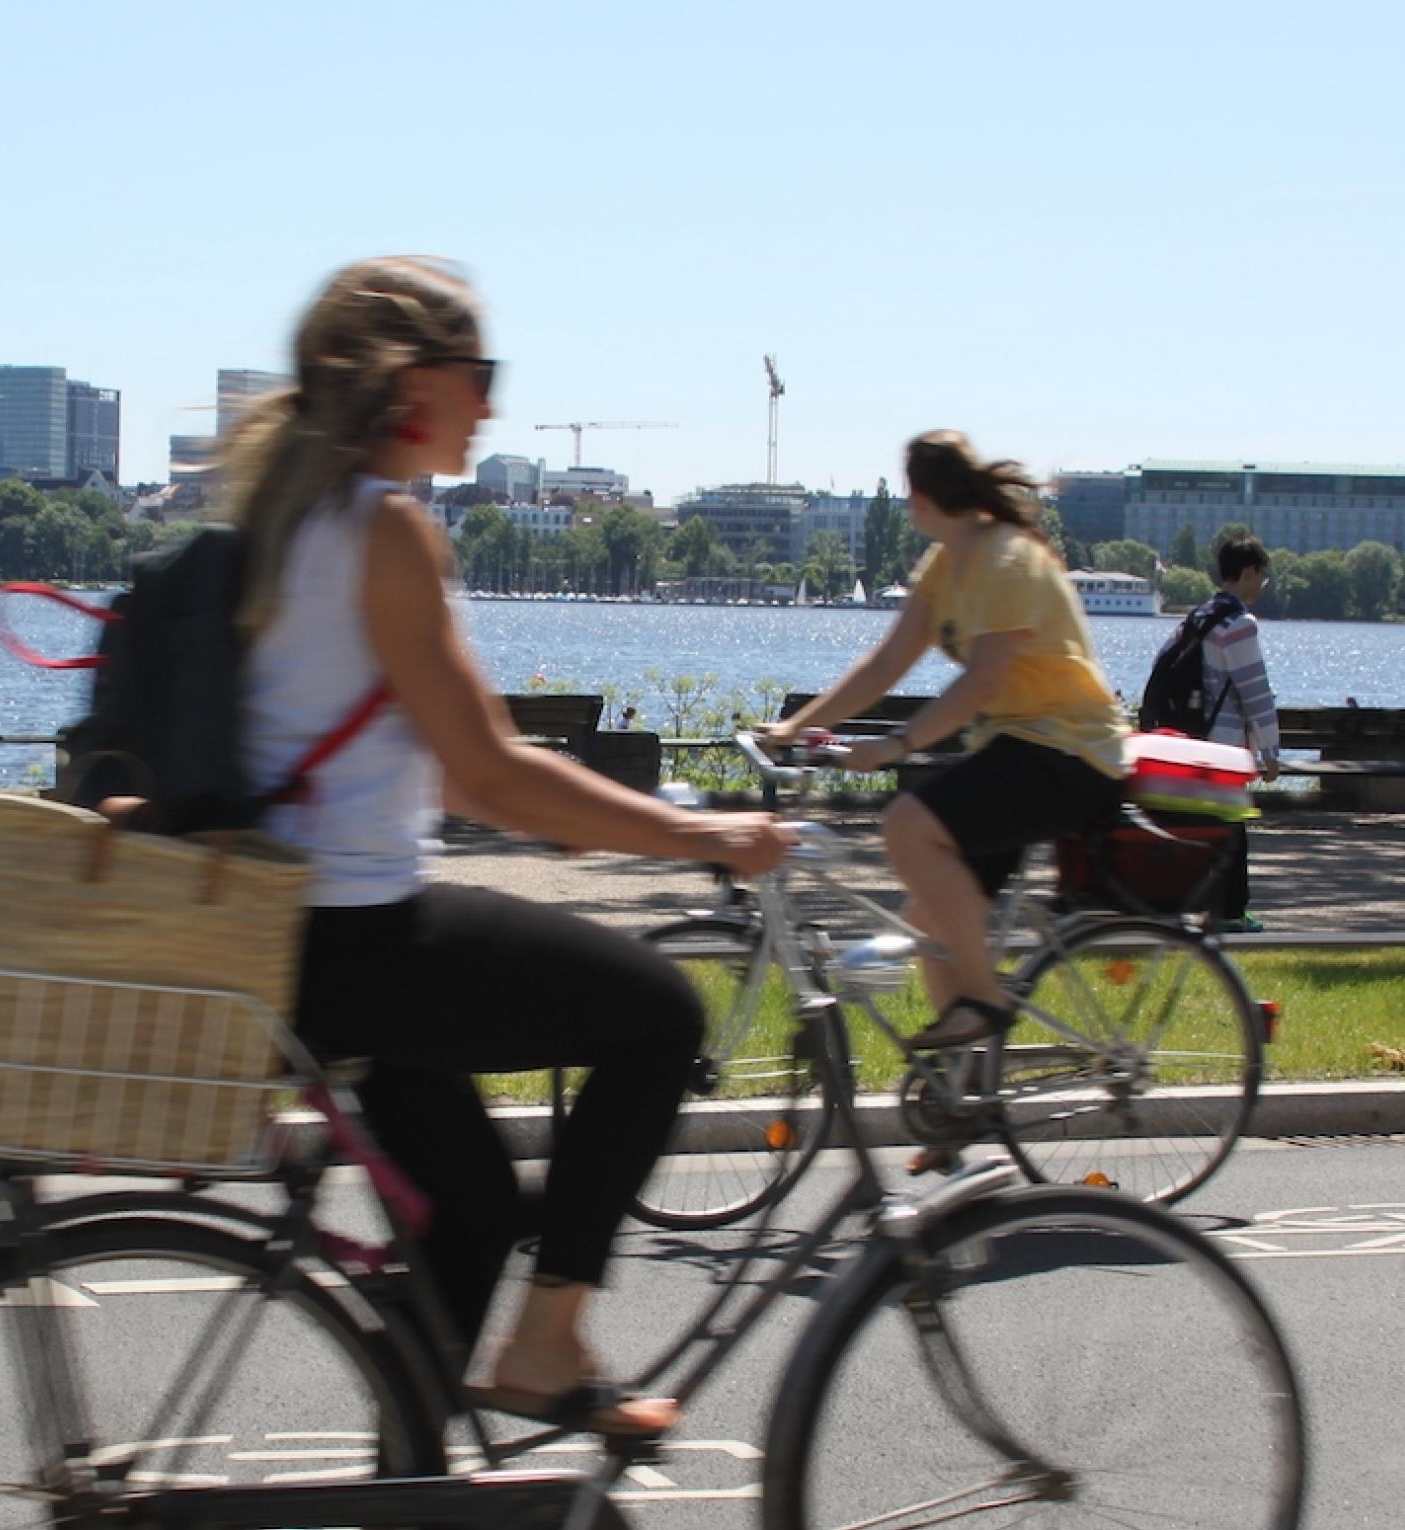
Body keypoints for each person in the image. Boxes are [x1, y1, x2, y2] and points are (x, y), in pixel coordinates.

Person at [232, 257, 793, 1438]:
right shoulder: (386, 529)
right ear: (408, 382)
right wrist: (701, 834)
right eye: (477, 373)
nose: (489, 404)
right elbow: (488, 772)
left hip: (285, 936)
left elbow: (434, 760)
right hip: (361, 935)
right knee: (658, 1015)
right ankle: (546, 1346)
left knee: (473, 1208)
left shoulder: (287, 517)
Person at [768, 430, 1130, 1042]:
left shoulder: (1007, 557)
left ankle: (987, 998)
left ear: (922, 498)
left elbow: (984, 682)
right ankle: (959, 1112)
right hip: (1018, 752)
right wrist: (793, 728)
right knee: (930, 933)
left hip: (1071, 753)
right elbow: (885, 666)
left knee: (906, 824)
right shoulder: (947, 564)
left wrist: (897, 746)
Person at [1194, 533, 1282, 928]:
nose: (1262, 584)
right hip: (1225, 743)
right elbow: (1254, 690)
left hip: (1195, 737)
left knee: (1210, 825)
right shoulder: (1239, 624)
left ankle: (1213, 905)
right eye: (1262, 576)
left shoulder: (1201, 616)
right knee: (1231, 825)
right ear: (1248, 571)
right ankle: (1231, 912)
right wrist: (1270, 751)